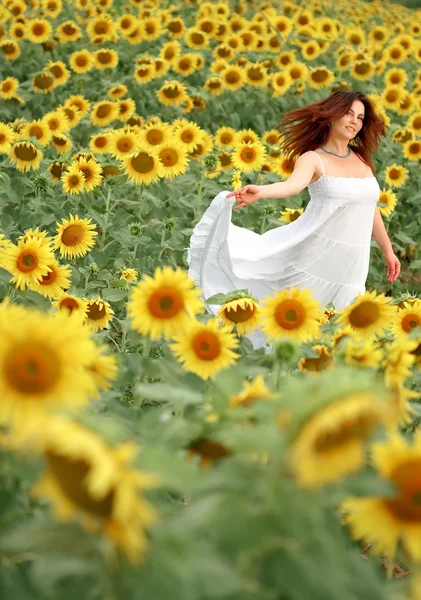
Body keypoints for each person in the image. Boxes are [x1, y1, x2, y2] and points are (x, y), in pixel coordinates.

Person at [187, 90, 401, 321]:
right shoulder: (313, 158)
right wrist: (261, 191)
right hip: (312, 259)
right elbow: (292, 186)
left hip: (351, 267)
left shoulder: (362, 161)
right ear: (332, 115)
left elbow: (370, 207)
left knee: (340, 329)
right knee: (295, 324)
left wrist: (388, 251)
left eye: (360, 117)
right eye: (348, 113)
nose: (354, 121)